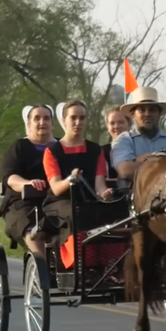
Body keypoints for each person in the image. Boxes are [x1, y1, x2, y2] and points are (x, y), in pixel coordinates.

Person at [40, 99, 112, 269]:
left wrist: (105, 193)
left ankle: (110, 262)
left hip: (88, 200)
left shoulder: (95, 150)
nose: (78, 122)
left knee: (116, 212)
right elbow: (56, 188)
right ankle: (79, 261)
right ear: (64, 121)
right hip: (60, 202)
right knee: (77, 213)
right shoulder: (52, 152)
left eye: (82, 118)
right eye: (73, 118)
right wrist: (71, 179)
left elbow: (99, 185)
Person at [0, 104, 57, 255]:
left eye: (46, 118)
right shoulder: (19, 147)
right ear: (29, 124)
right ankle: (40, 264)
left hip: (56, 201)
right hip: (23, 203)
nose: (42, 122)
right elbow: (10, 178)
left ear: (52, 124)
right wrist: (27, 183)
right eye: (37, 118)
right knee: (33, 228)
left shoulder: (61, 147)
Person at [111, 86, 166, 181]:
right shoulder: (124, 140)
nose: (147, 114)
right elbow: (125, 171)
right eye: (142, 110)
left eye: (152, 110)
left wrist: (148, 159)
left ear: (160, 114)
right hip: (135, 195)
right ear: (133, 115)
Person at [101, 106, 131, 179]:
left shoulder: (137, 148)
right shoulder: (101, 152)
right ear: (107, 127)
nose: (116, 126)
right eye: (112, 123)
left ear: (129, 124)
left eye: (121, 122)